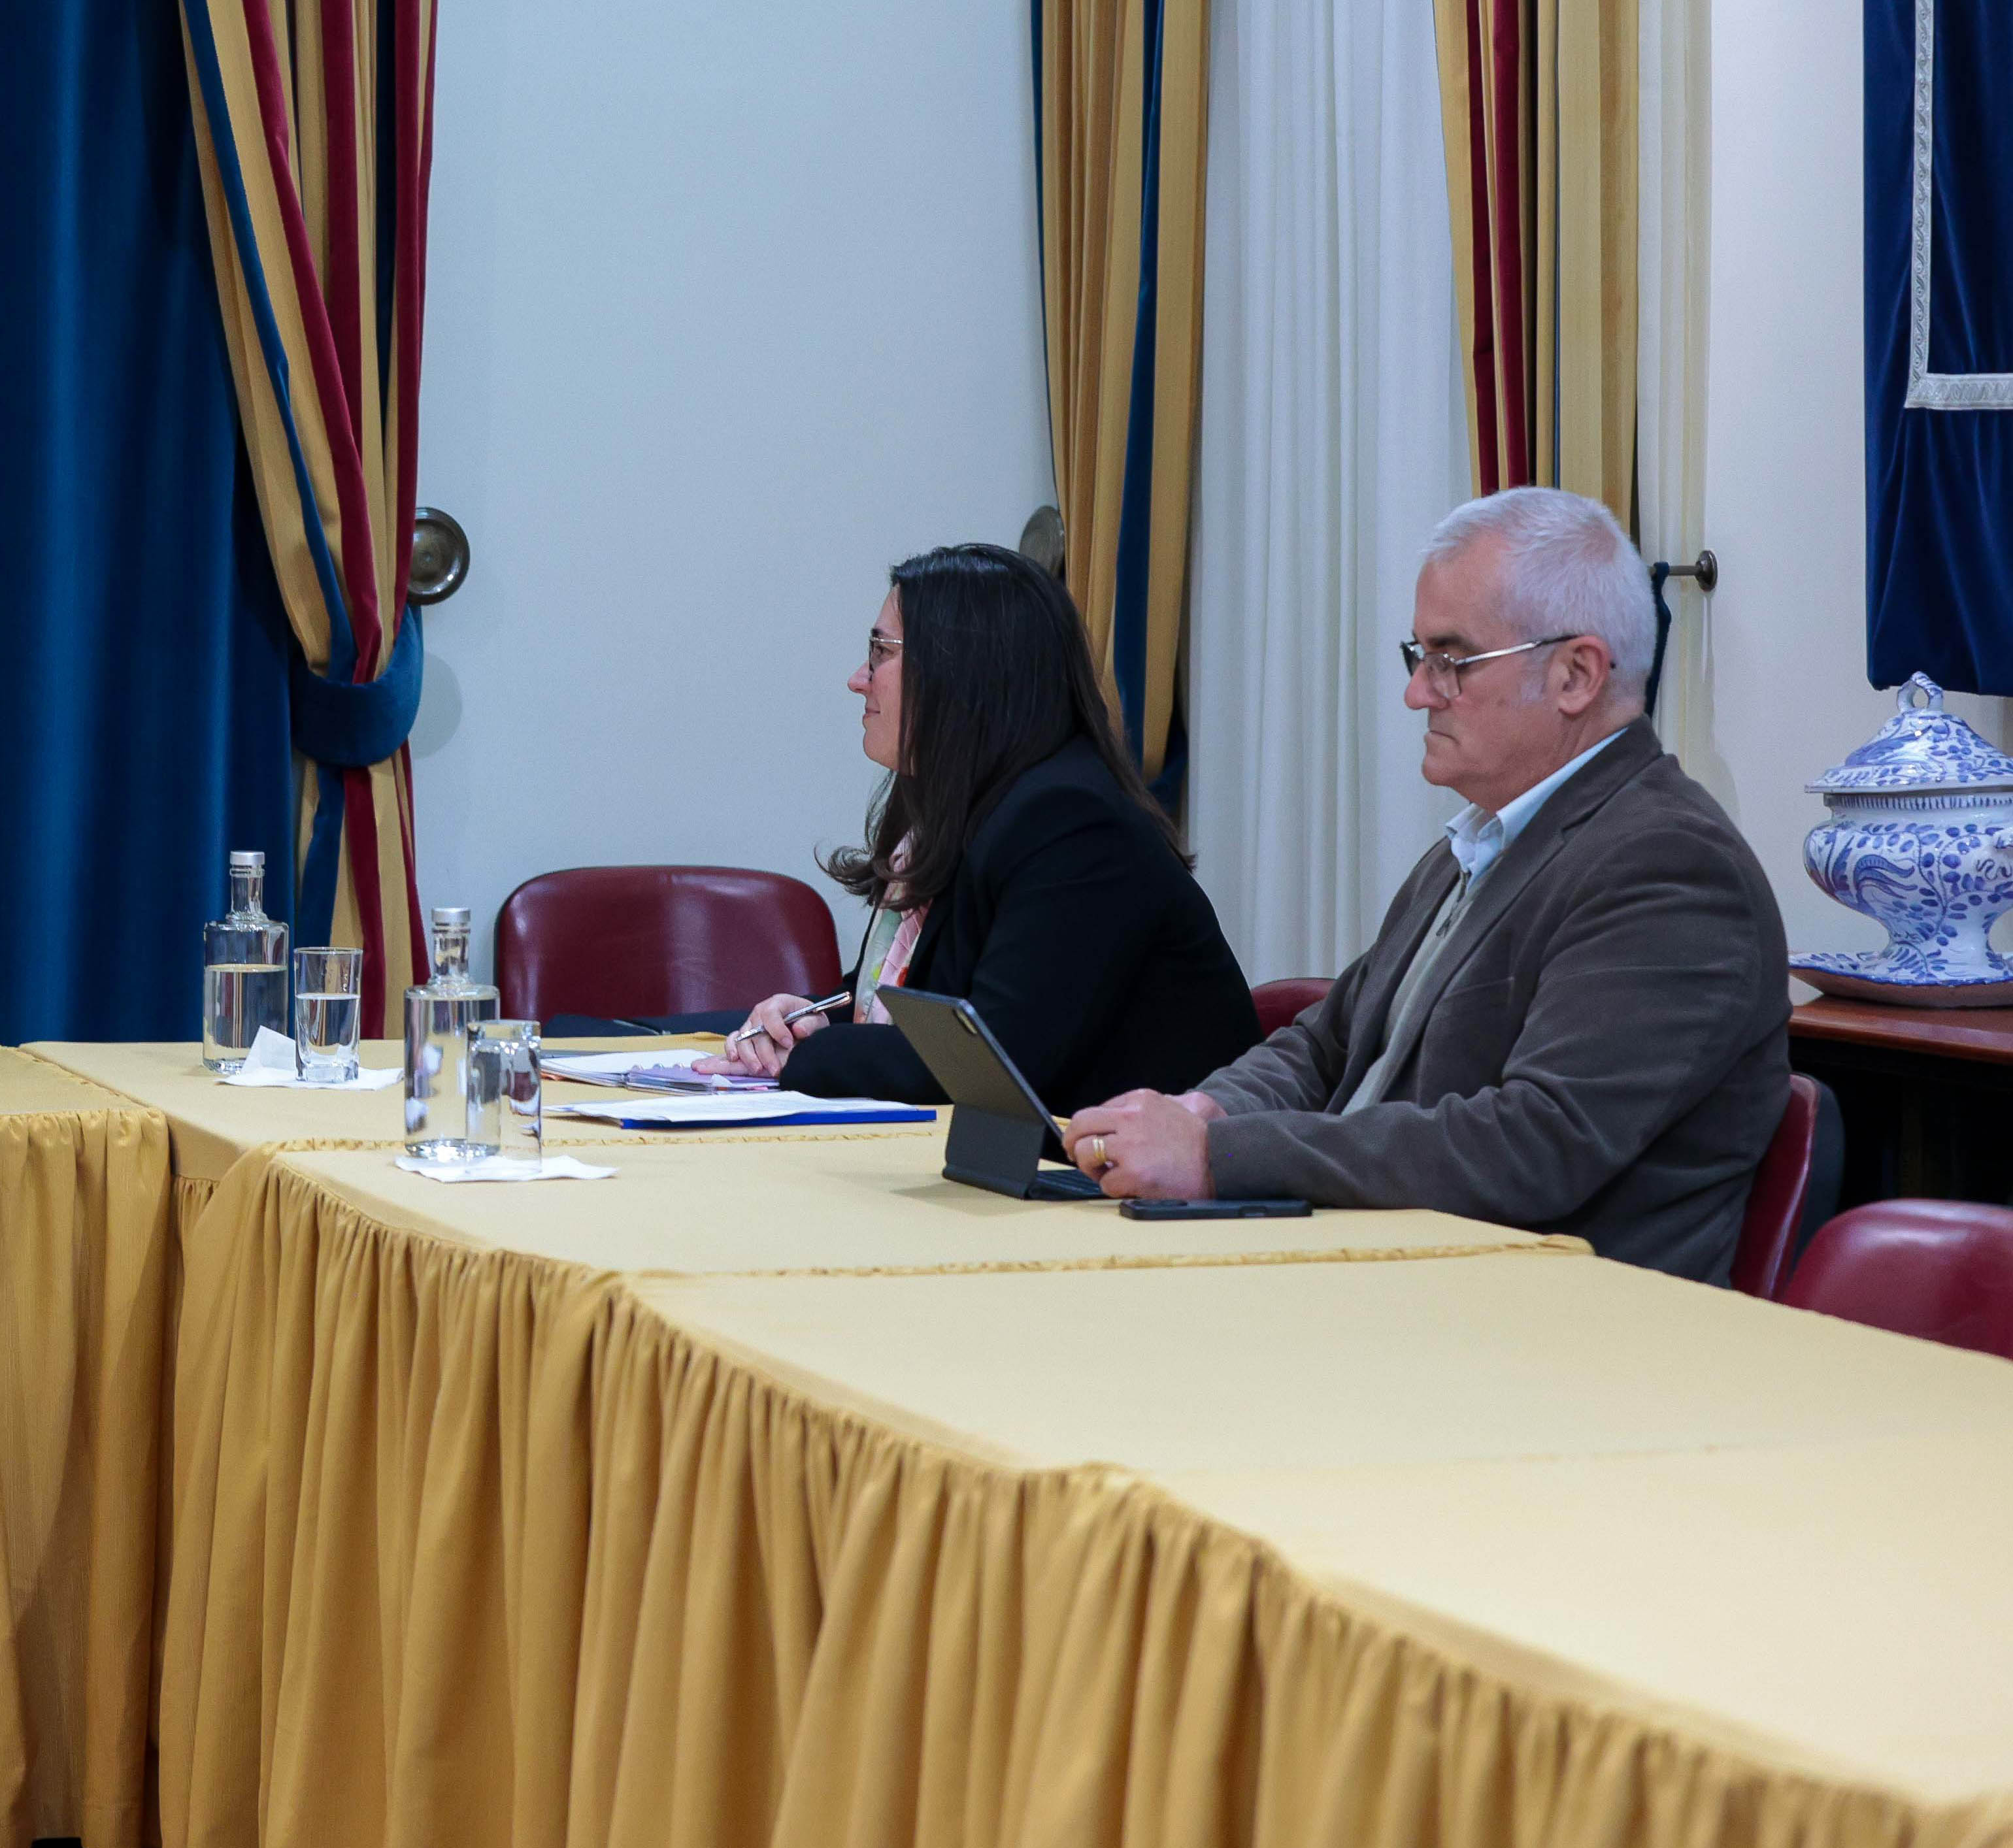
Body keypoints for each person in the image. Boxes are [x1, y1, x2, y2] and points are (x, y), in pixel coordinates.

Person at [1063, 488, 1788, 1282]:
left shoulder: (1671, 866)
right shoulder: (1480, 839)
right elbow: (1326, 1043)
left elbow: (1533, 1144)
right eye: (1419, 659)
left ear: (1577, 674)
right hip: (1392, 1277)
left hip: (1544, 1329)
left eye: (1452, 661)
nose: (1417, 692)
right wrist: (1205, 1111)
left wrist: (1219, 1157)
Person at [707, 542, 1259, 1110]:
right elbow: (917, 1004)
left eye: (880, 652)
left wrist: (813, 1056)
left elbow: (989, 1059)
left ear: (961, 671)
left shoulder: (1073, 823)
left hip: (1145, 1185)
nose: (858, 679)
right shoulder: (976, 806)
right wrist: (801, 1018)